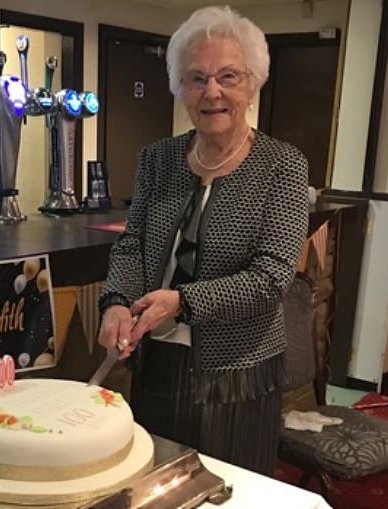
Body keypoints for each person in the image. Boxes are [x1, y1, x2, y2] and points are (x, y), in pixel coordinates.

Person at [97, 5, 309, 476]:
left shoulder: (283, 166)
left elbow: (271, 279)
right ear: (181, 89)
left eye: (227, 76)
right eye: (196, 78)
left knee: (227, 490)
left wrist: (182, 301)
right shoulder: (159, 158)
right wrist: (115, 301)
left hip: (238, 374)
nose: (212, 91)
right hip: (157, 361)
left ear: (252, 84)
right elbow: (132, 246)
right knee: (154, 484)